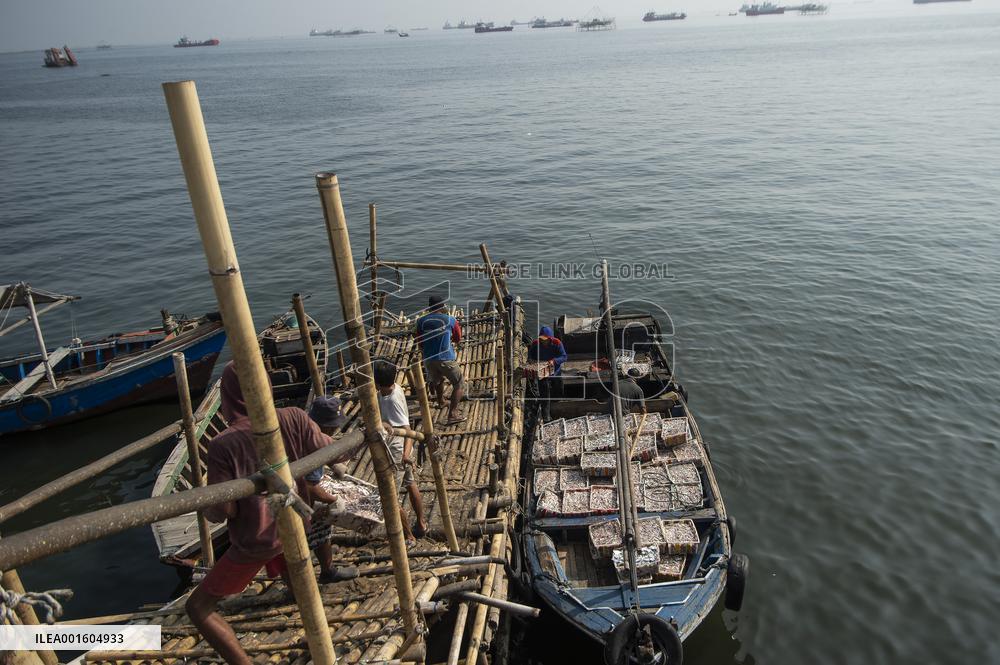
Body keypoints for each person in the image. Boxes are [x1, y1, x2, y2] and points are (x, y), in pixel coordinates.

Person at [184, 363, 338, 665]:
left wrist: (204, 503)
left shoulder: (223, 444)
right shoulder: (294, 417)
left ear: (227, 398)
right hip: (294, 523)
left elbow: (223, 509)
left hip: (257, 539)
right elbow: (334, 450)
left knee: (198, 607)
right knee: (297, 579)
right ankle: (317, 637)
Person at [373, 358, 428, 544]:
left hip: (397, 449)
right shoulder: (391, 389)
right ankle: (421, 524)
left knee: (391, 497)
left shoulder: (393, 399)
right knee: (411, 483)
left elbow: (407, 427)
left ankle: (409, 537)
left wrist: (405, 453)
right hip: (398, 447)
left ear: (377, 381)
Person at [303, 395, 352, 582]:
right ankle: (304, 583)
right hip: (293, 498)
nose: (335, 429)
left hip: (294, 491)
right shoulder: (315, 441)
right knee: (304, 534)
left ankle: (327, 570)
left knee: (320, 528)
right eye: (333, 426)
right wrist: (333, 500)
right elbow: (309, 487)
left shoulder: (306, 431)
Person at [414, 294, 465, 424]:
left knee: (437, 380)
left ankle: (441, 401)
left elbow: (420, 341)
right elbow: (458, 337)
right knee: (459, 384)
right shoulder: (450, 319)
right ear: (442, 306)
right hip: (446, 358)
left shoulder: (421, 321)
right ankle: (452, 414)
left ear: (430, 308)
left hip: (429, 359)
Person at [528, 326, 568, 421]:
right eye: (542, 339)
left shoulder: (557, 343)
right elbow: (530, 356)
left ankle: (557, 405)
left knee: (558, 389)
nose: (543, 342)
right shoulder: (535, 344)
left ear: (550, 338)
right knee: (544, 394)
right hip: (542, 373)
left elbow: (564, 357)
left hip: (555, 371)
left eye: (545, 340)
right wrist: (531, 361)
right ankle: (546, 416)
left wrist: (554, 361)